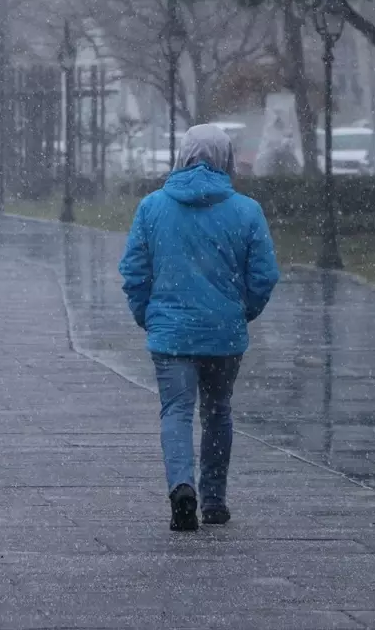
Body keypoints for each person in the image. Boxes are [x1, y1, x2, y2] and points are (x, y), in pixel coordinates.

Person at [119, 124, 279, 531]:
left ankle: (181, 486)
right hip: (224, 334)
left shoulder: (152, 207)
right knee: (218, 412)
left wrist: (148, 315)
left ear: (183, 155)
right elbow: (263, 275)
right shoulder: (246, 211)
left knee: (176, 411)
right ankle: (214, 499)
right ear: (226, 158)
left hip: (171, 334)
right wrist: (243, 311)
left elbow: (134, 273)